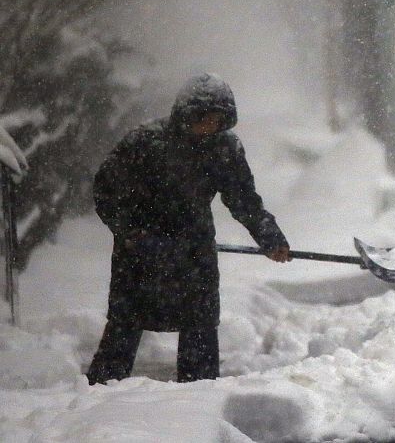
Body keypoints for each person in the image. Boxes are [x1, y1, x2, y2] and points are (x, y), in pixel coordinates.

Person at [86, 73, 290, 384]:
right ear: (187, 114)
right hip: (141, 253)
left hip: (194, 252)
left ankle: (200, 396)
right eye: (204, 118)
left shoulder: (224, 148)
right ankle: (98, 391)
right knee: (125, 326)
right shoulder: (145, 142)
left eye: (218, 120)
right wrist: (131, 232)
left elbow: (243, 199)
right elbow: (106, 190)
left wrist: (270, 237)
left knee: (200, 328)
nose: (210, 126)